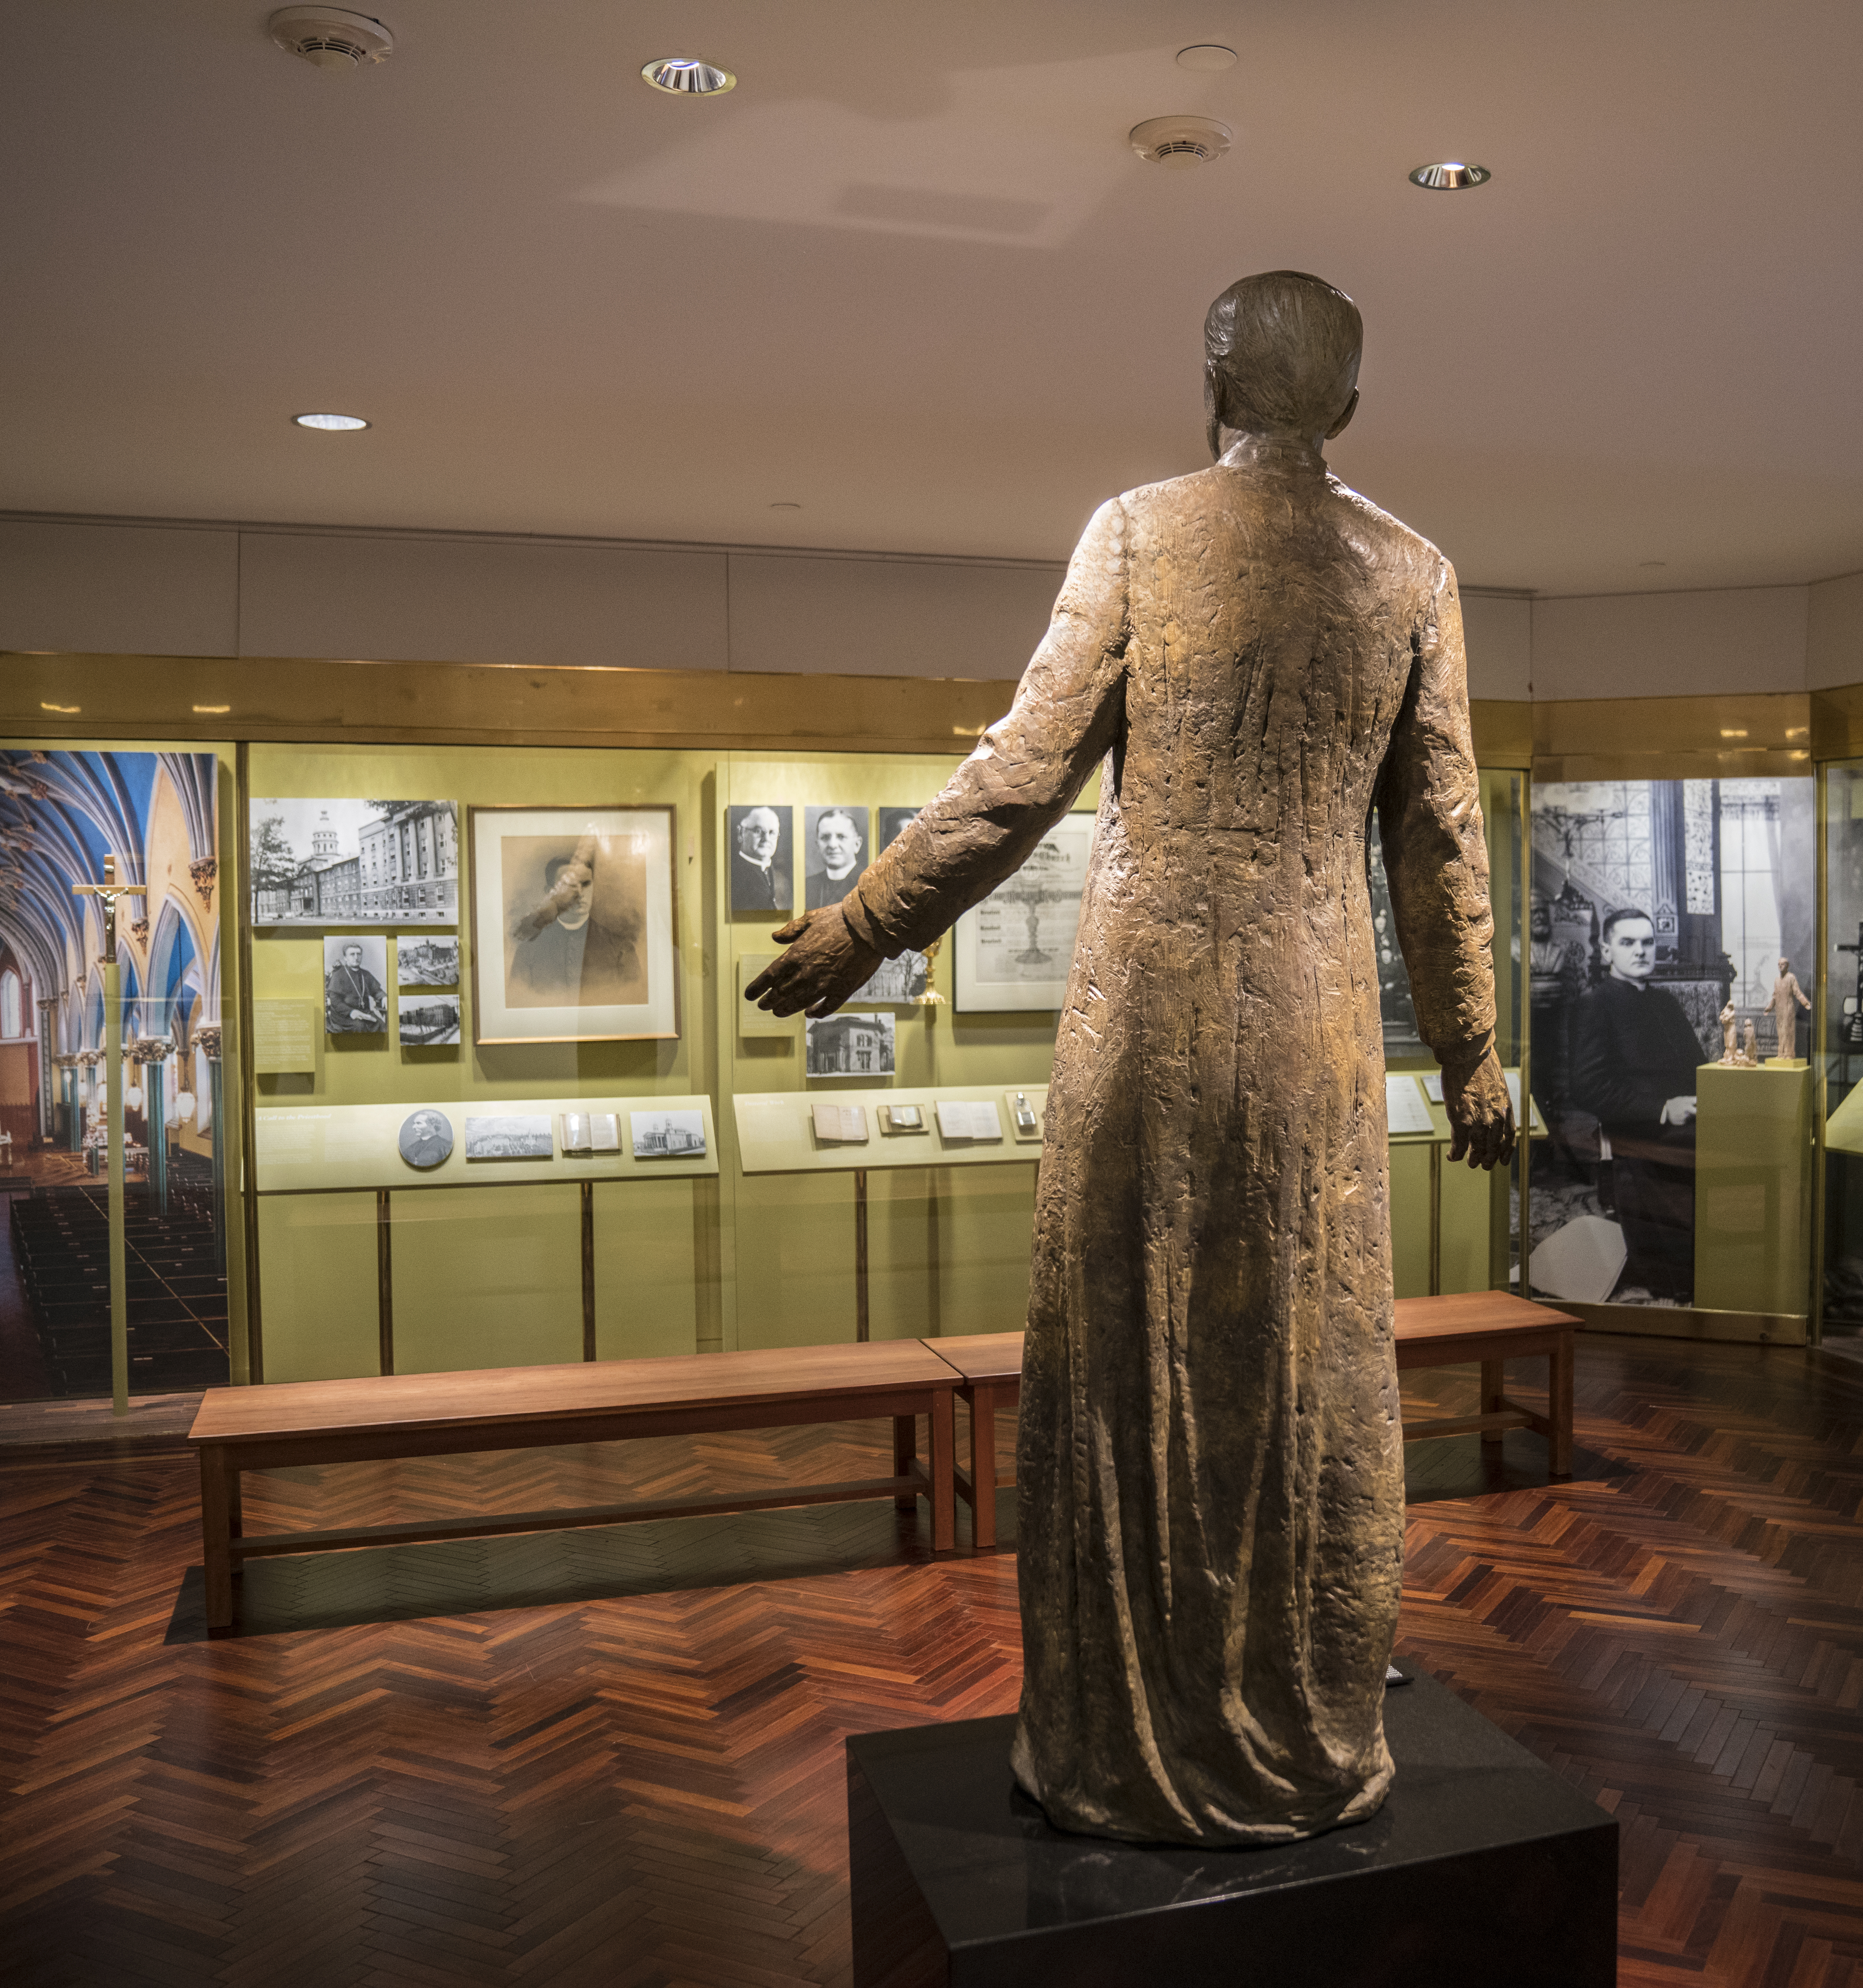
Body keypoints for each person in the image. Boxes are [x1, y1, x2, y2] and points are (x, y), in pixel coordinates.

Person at [746, 271, 1511, 1848]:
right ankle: (1296, 1720)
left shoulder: (1140, 534)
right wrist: (1475, 1054)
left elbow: (1016, 778)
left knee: (1131, 1355)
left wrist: (865, 925)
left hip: (1152, 1011)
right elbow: (1440, 847)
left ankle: (1122, 1735)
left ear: (1210, 387)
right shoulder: (1411, 573)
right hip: (1308, 1023)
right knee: (1296, 1357)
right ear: (1350, 407)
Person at [1569, 907, 1705, 1300]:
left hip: (1687, 1118)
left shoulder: (1664, 1002)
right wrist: (1663, 1108)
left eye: (1648, 943)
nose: (1640, 951)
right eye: (1628, 943)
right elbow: (1588, 1087)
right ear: (1607, 950)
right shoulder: (1594, 1005)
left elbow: (1697, 1067)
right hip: (1641, 1130)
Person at [508, 847, 642, 1006]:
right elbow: (518, 1006)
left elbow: (634, 1005)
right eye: (569, 885)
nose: (579, 893)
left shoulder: (621, 948)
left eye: (586, 884)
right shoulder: (529, 949)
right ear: (550, 892)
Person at [728, 805, 787, 912]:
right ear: (741, 833)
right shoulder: (731, 875)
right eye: (759, 831)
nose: (767, 839)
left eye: (772, 833)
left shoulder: (783, 879)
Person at [804, 808, 865, 907]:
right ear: (818, 845)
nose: (833, 845)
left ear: (857, 844)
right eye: (825, 837)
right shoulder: (807, 886)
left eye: (841, 837)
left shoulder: (870, 884)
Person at [322, 940, 384, 1034]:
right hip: (344, 1016)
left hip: (365, 1012)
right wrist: (351, 1012)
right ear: (346, 958)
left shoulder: (366, 974)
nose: (356, 958)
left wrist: (384, 998)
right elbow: (336, 1002)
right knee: (360, 1026)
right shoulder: (338, 975)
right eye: (352, 954)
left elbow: (377, 991)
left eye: (359, 954)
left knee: (383, 1026)